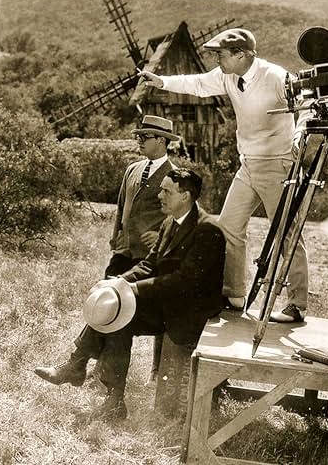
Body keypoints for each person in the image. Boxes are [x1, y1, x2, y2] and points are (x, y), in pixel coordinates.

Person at [139, 28, 308, 322]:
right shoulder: (228, 75)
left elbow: (308, 105)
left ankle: (297, 303)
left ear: (241, 55)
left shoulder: (276, 76)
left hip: (278, 164)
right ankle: (234, 295)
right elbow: (199, 84)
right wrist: (162, 80)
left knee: (285, 233)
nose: (216, 59)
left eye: (221, 54)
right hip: (248, 164)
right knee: (228, 228)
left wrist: (299, 136)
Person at [34, 168, 225, 421]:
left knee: (120, 305)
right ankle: (111, 398)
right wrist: (117, 282)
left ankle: (76, 365)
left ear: (186, 196)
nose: (159, 195)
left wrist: (132, 289)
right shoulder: (170, 222)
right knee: (113, 309)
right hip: (168, 302)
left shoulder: (207, 229)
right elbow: (149, 264)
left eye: (166, 191)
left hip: (190, 312)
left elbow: (185, 282)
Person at [105, 115, 178, 277]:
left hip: (149, 256)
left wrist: (161, 237)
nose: (139, 140)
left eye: (145, 136)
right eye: (138, 136)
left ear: (161, 140)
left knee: (137, 300)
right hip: (123, 251)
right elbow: (121, 207)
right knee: (106, 293)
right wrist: (117, 237)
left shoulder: (175, 176)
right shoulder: (132, 169)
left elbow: (182, 217)